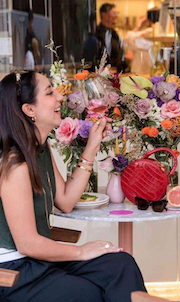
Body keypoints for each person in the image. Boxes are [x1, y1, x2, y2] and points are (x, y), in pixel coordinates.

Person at [0, 71, 146, 302]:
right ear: (29, 110)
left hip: (40, 259)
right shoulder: (15, 163)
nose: (60, 97)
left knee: (120, 265)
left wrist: (92, 146)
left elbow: (66, 201)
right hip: (14, 270)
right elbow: (27, 243)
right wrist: (81, 251)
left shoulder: (40, 148)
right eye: (50, 92)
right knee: (88, 294)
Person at [96, 3, 126, 72]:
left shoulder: (114, 34)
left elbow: (119, 55)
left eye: (117, 13)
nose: (116, 16)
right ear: (104, 15)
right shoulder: (96, 33)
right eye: (114, 13)